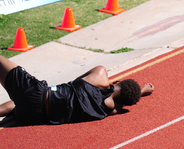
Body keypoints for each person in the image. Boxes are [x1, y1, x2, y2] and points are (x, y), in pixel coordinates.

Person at [0, 55, 153, 125]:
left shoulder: (100, 73)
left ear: (118, 81)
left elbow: (74, 81)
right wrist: (141, 92)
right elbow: (121, 102)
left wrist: (141, 89)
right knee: (19, 104)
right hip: (37, 117)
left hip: (38, 94)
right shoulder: (109, 110)